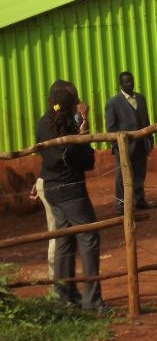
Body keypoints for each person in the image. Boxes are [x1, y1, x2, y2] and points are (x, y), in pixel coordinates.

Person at [36, 81, 106, 313]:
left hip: (51, 188)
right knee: (88, 237)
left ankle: (65, 298)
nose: (79, 102)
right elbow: (85, 161)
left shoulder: (42, 123)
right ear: (69, 103)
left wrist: (79, 125)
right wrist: (84, 136)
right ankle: (92, 301)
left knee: (65, 240)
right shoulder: (66, 128)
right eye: (75, 98)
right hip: (71, 191)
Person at [104, 71, 156, 213]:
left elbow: (146, 120)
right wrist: (117, 145)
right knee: (121, 176)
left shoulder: (141, 98)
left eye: (131, 81)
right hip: (124, 146)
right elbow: (111, 127)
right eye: (126, 82)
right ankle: (121, 204)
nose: (130, 84)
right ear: (121, 84)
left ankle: (139, 200)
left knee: (139, 172)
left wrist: (150, 138)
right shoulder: (113, 103)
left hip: (141, 143)